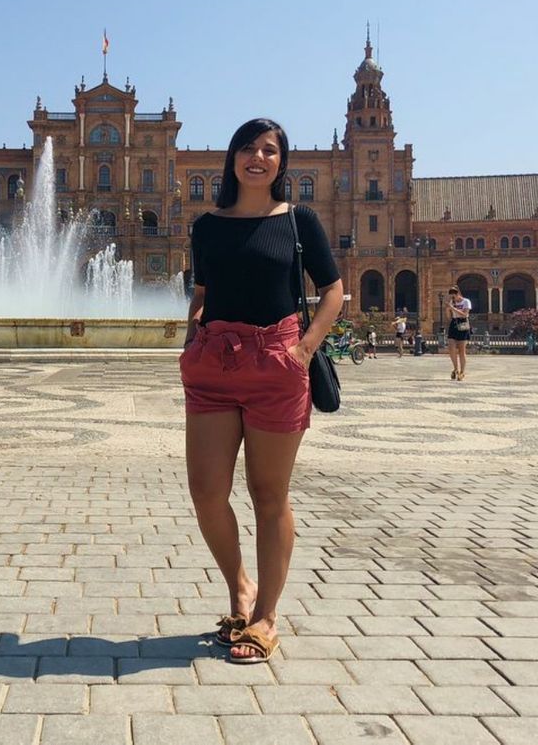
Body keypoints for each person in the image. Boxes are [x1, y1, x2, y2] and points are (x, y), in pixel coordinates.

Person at [181, 118, 344, 665]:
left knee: (268, 494)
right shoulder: (205, 225)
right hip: (213, 363)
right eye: (248, 147)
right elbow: (203, 290)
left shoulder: (299, 221)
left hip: (277, 360)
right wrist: (192, 338)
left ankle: (267, 616)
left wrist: (303, 350)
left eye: (269, 150)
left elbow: (333, 290)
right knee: (207, 492)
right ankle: (240, 589)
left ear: (282, 163)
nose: (257, 157)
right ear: (232, 158)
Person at [445, 285, 471, 380]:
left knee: (461, 350)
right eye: (451, 294)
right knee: (451, 348)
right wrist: (447, 309)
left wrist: (452, 308)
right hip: (454, 323)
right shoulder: (452, 302)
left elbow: (465, 314)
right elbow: (448, 317)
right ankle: (455, 369)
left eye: (454, 294)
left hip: (463, 323)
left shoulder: (466, 301)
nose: (453, 296)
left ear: (458, 293)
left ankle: (462, 372)